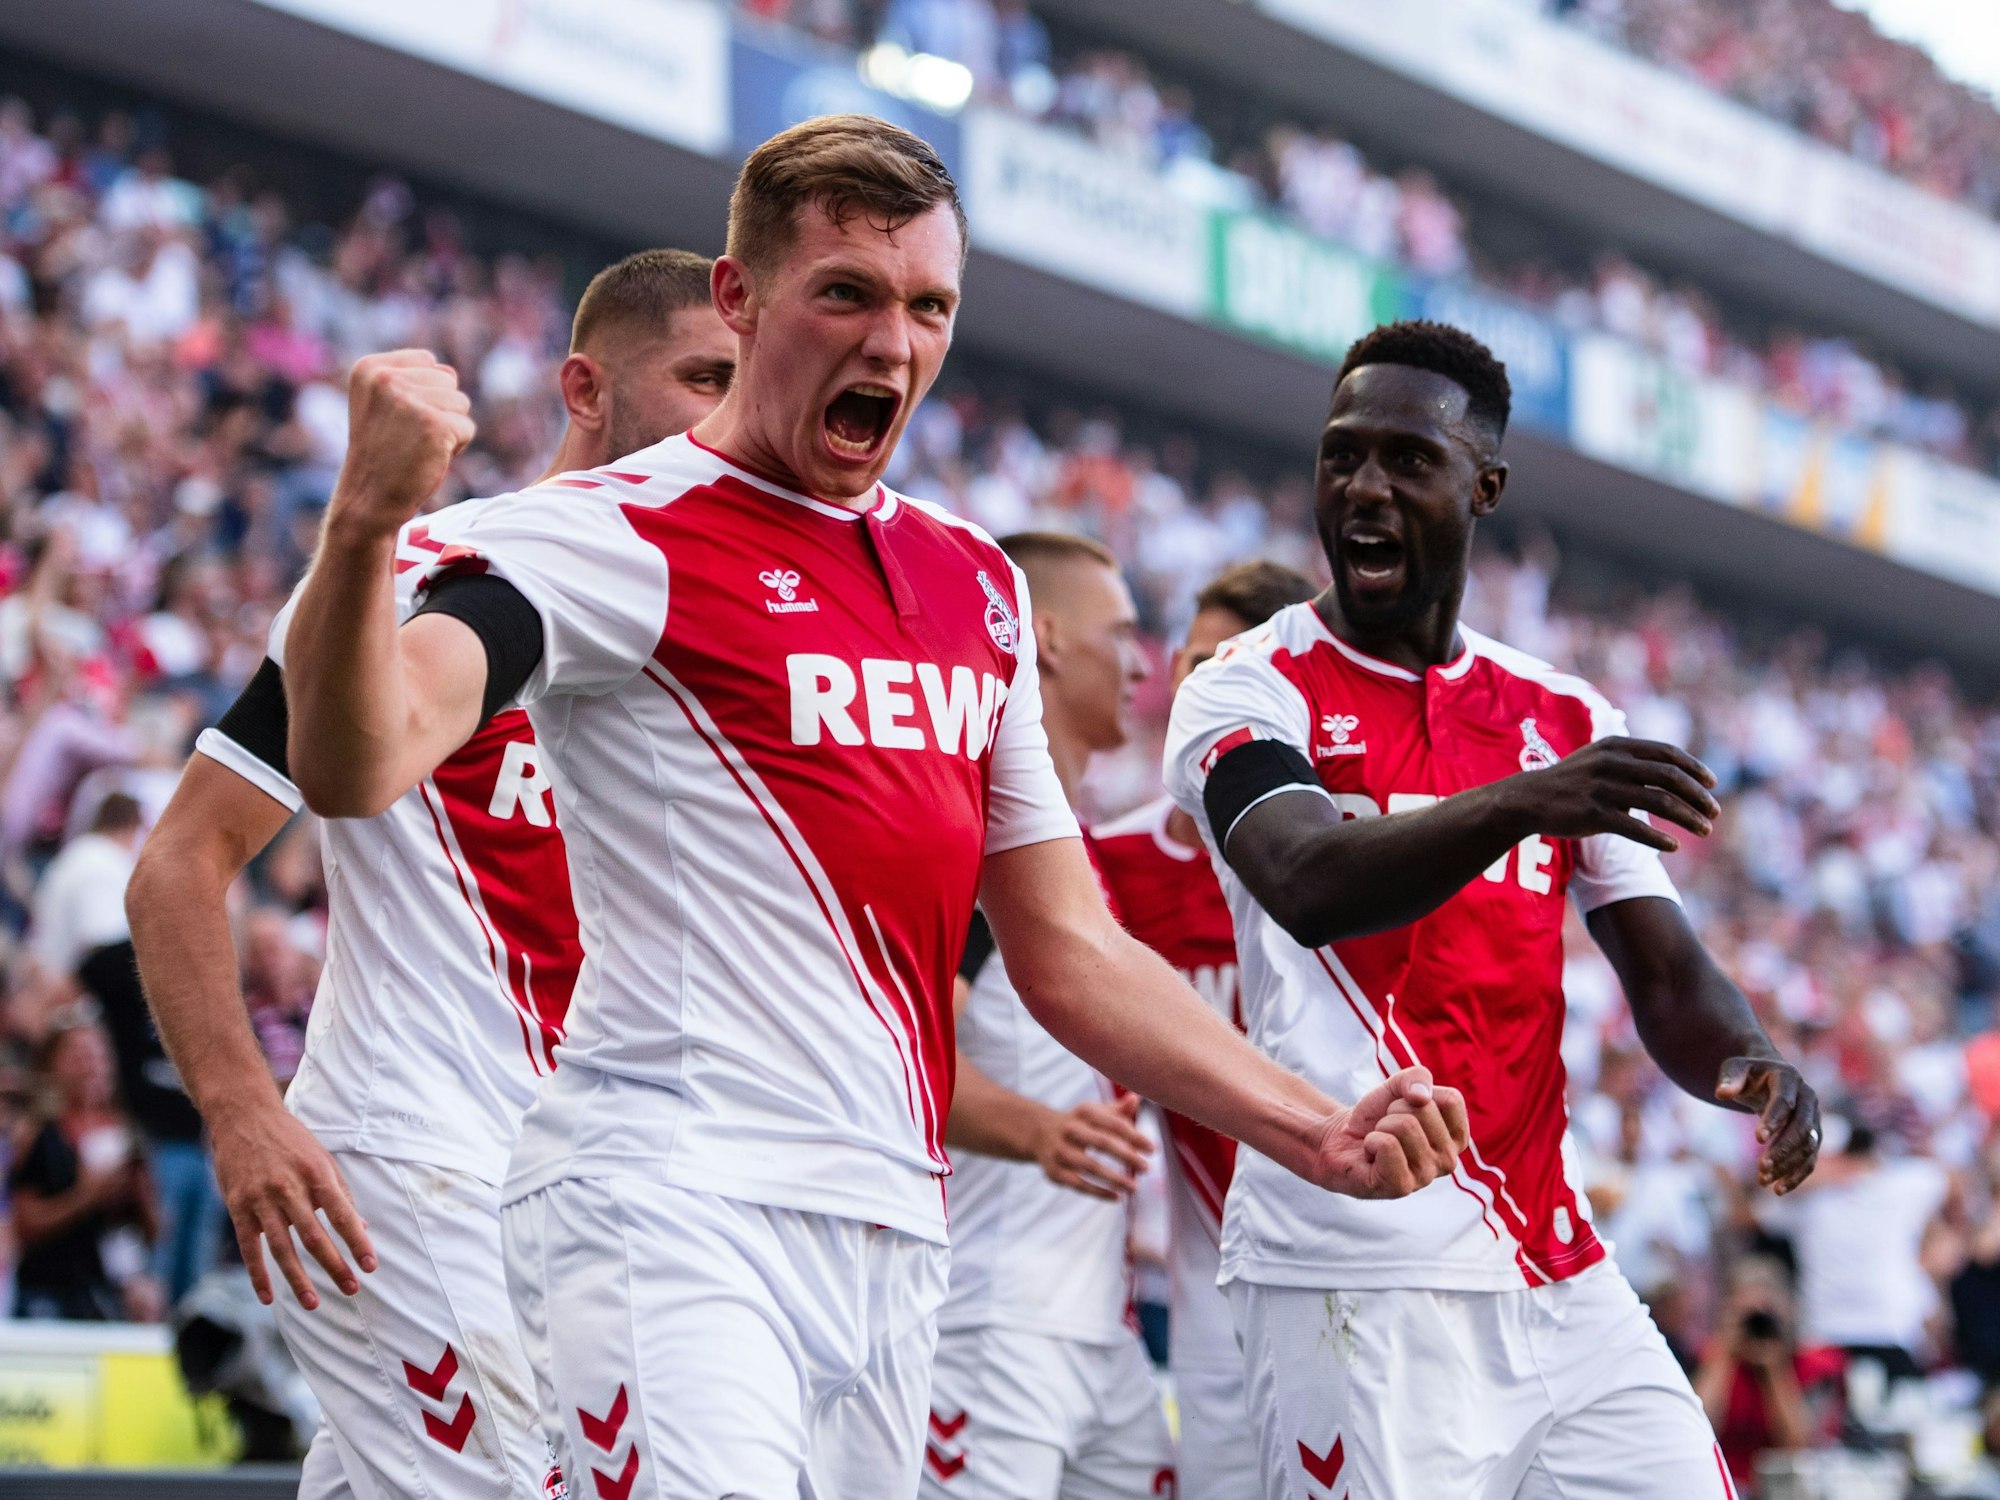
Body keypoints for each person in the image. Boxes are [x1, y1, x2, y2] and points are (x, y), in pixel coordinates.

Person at [278, 116, 1468, 1499]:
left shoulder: (975, 585)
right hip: (671, 1204)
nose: (891, 345)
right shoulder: (608, 535)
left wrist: (1311, 1124)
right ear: (741, 297)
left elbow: (1070, 954)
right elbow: (360, 762)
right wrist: (361, 531)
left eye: (928, 306)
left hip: (897, 1238)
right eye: (844, 292)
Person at [1162, 319, 1822, 1500]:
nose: (1363, 486)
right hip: (1349, 1269)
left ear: (1484, 486)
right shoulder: (1244, 688)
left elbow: (1666, 977)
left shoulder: (1560, 711)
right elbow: (1309, 884)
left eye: (1406, 461)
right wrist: (1522, 801)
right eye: (1340, 455)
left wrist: (1754, 1066)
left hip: (1548, 1263)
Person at [125, 248, 735, 1500]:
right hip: (407, 1163)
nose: (724, 418)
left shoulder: (709, 624)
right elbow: (182, 859)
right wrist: (243, 1110)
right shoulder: (418, 575)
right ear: (584, 387)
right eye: (699, 378)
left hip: (581, 1187)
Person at [925, 531, 1173, 1500]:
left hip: (1100, 1336)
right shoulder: (986, 843)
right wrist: (1037, 1131)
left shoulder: (1082, 854)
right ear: (1049, 638)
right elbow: (905, 1053)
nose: (1141, 664)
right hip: (988, 1326)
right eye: (1121, 634)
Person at [1091, 560, 1316, 1500]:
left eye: (1229, 663)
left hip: (1345, 1266)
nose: (1202, 689)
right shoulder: (1110, 865)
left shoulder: (1344, 860)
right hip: (1210, 1288)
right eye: (1189, 664)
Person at [11, 1019, 161, 1320]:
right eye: (78, 1055)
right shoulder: (38, 1135)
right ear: (52, 1065)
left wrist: (138, 1197)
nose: (90, 1066)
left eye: (97, 1055)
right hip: (50, 1293)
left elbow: (153, 1231)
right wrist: (86, 1195)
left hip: (109, 1295)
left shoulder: (127, 1133)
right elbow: (23, 1224)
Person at [1694, 1258, 1843, 1495]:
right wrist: (1726, 1353)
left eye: (1766, 1315)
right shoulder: (1714, 1359)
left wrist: (1774, 1370)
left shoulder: (1810, 1365)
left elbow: (1799, 1447)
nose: (1757, 1324)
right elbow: (1698, 1430)